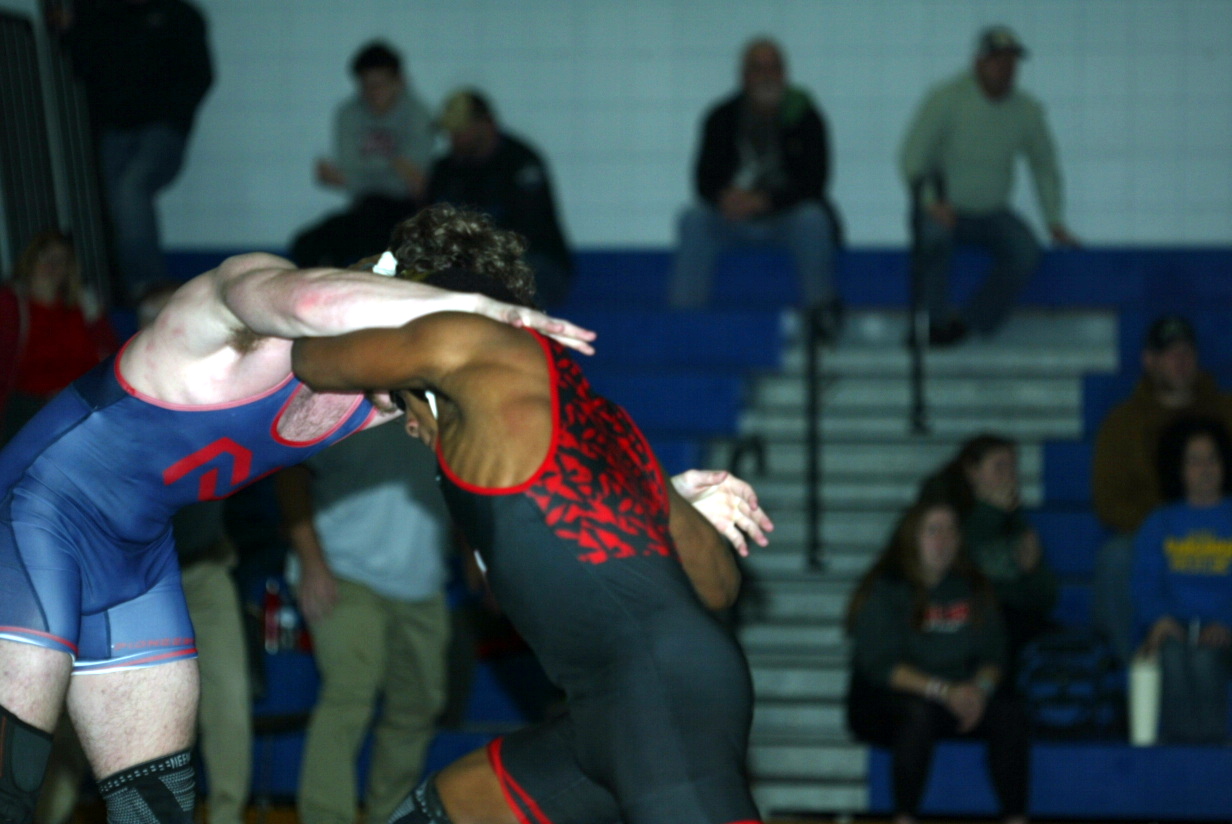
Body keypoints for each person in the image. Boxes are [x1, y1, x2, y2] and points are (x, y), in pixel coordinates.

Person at [0, 241, 595, 824]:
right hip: (34, 513)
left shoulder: (383, 400)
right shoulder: (243, 307)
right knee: (12, 779)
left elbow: (501, 450)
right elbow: (313, 301)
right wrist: (473, 311)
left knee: (154, 807)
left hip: (139, 561)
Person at [290, 204, 775, 824]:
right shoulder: (594, 421)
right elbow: (717, 588)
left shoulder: (466, 342)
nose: (405, 422)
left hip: (655, 710)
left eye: (397, 402)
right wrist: (662, 507)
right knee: (441, 812)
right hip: (617, 713)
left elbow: (311, 356)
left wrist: (369, 281)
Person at [275, 425, 453, 824]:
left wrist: (478, 556)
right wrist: (311, 559)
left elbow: (465, 481)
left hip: (422, 577)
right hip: (342, 568)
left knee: (418, 705)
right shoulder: (343, 399)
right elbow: (289, 472)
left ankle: (390, 816)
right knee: (350, 692)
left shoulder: (444, 404)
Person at [845, 498, 1028, 824]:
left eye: (951, 531)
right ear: (912, 538)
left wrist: (979, 691)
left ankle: (1016, 817)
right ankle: (904, 817)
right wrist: (944, 691)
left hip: (962, 695)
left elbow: (995, 653)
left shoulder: (973, 586)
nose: (943, 540)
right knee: (917, 716)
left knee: (1010, 713)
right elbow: (881, 666)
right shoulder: (886, 588)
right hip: (892, 700)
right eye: (933, 531)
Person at [899, 24, 1078, 346]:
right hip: (944, 209)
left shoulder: (1026, 110)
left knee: (1026, 251)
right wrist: (931, 202)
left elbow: (1044, 165)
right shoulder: (946, 99)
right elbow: (912, 157)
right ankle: (934, 324)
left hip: (992, 212)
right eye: (997, 60)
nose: (1005, 68)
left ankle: (969, 323)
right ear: (978, 63)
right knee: (933, 238)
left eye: (1011, 61)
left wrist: (1054, 220)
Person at [670, 37, 843, 338]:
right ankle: (685, 326)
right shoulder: (721, 117)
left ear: (784, 74)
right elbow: (703, 180)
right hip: (732, 218)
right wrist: (725, 198)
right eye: (757, 68)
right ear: (743, 75)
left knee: (813, 219)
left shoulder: (805, 115)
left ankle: (821, 318)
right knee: (693, 219)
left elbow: (815, 181)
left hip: (784, 217)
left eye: (773, 68)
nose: (766, 76)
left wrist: (764, 201)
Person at [48, 0, 213, 303]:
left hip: (161, 128)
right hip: (113, 129)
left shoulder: (178, 15)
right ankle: (123, 283)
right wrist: (67, 32)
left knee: (131, 188)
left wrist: (172, 115)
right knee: (112, 200)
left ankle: (146, 285)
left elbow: (199, 75)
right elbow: (82, 64)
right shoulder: (101, 14)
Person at [1091, 314, 1232, 662]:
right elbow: (1108, 502)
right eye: (1170, 353)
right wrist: (1166, 528)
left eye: (1187, 352)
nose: (1181, 361)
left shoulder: (1226, 410)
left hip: (1222, 524)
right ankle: (1138, 666)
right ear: (1149, 361)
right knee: (1117, 557)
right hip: (1151, 533)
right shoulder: (1123, 422)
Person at [921, 434, 1058, 679]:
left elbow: (1045, 598)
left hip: (1010, 621)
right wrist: (990, 513)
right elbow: (954, 570)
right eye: (999, 467)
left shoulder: (1015, 519)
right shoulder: (945, 512)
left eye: (1013, 468)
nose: (1009, 476)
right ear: (972, 472)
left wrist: (1032, 571)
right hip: (959, 620)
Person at [289, 41, 436, 269]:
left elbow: (411, 181)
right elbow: (353, 168)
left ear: (399, 81)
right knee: (306, 244)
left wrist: (353, 176)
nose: (373, 93)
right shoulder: (348, 113)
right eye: (366, 86)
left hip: (405, 212)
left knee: (380, 240)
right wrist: (393, 165)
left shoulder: (418, 114)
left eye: (380, 85)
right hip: (364, 208)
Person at [1130, 416, 1232, 745]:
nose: (1205, 469)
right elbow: (1145, 581)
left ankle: (1213, 750)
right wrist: (1159, 619)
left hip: (1224, 631)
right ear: (1179, 468)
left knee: (1205, 658)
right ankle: (1179, 749)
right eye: (1194, 460)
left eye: (1212, 458)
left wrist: (1227, 622)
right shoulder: (1160, 522)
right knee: (1171, 656)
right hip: (1174, 628)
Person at [426, 89, 574, 309]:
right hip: (469, 262)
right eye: (451, 132)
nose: (454, 138)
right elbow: (431, 223)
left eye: (461, 130)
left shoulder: (520, 163)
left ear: (486, 124)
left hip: (533, 262)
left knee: (508, 281)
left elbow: (527, 234)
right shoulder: (446, 169)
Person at [1, 230, 117, 444]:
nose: (53, 265)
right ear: (30, 261)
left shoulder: (85, 304)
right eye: (46, 257)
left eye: (61, 260)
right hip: (29, 406)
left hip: (82, 401)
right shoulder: (11, 306)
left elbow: (110, 353)